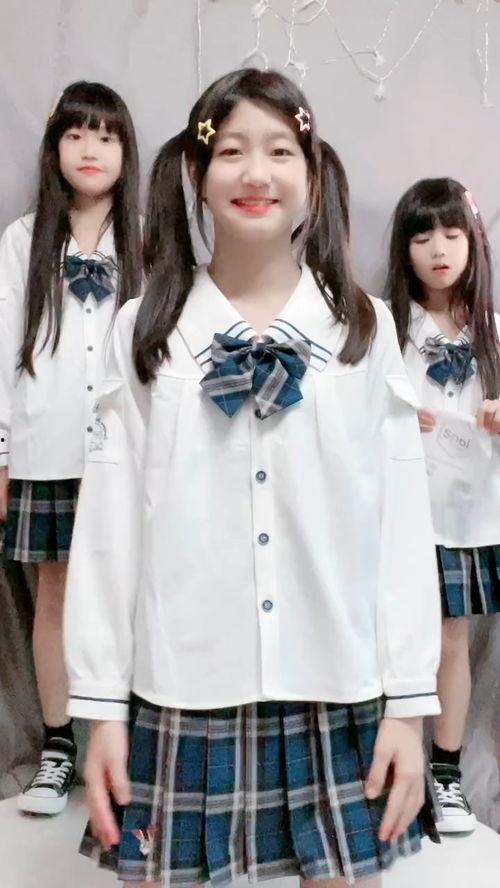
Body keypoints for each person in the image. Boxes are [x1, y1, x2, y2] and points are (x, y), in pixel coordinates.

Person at [65, 69, 441, 887]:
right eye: (231, 150)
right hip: (185, 683)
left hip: (338, 682)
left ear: (314, 177)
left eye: (279, 150)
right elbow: (109, 529)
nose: (256, 172)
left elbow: (402, 523)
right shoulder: (145, 330)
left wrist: (411, 702)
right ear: (197, 175)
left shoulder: (362, 329)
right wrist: (99, 706)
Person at [0, 80, 142, 815]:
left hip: (129, 454)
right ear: (55, 146)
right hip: (47, 447)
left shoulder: (149, 241)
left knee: (131, 596)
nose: (91, 149)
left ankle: (133, 750)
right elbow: (1, 351)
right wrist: (0, 454)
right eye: (77, 133)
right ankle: (58, 751)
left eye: (107, 136)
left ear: (126, 152)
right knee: (53, 596)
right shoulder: (22, 241)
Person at [386, 176, 500, 834]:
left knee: (452, 638)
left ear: (473, 243)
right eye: (423, 235)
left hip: (466, 516)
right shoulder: (385, 328)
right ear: (404, 248)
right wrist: (394, 420)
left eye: (452, 234)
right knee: (392, 639)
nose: (438, 249)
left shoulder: (493, 332)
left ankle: (447, 773)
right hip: (399, 512)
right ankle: (389, 769)